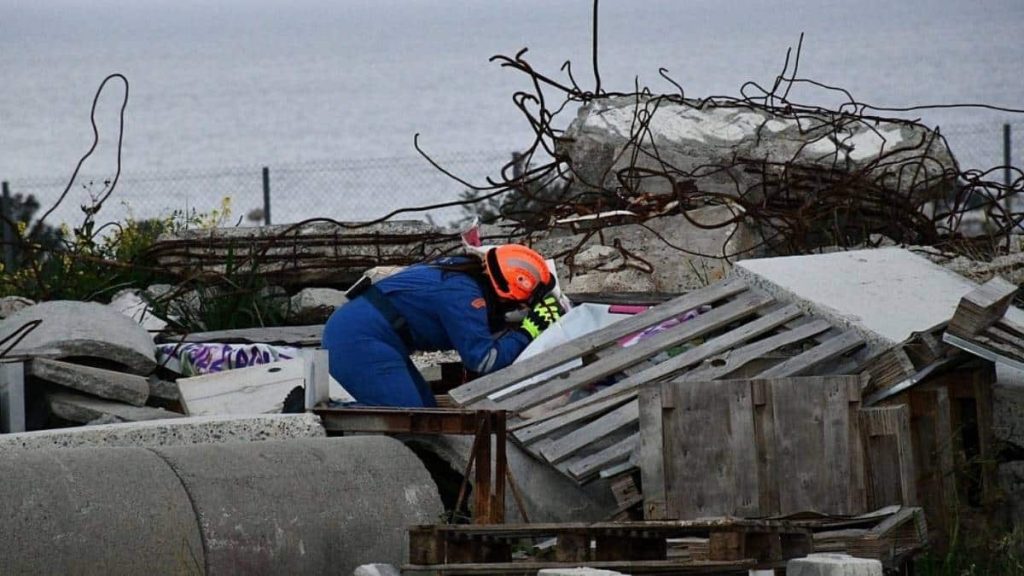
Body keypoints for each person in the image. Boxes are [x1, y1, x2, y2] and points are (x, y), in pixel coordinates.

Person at [322, 244, 564, 407]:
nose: (521, 308)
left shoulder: (465, 274)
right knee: (410, 419)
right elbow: (484, 361)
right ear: (507, 293)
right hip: (357, 340)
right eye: (522, 304)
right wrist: (528, 331)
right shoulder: (464, 295)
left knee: (427, 409)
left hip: (365, 332)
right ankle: (328, 421)